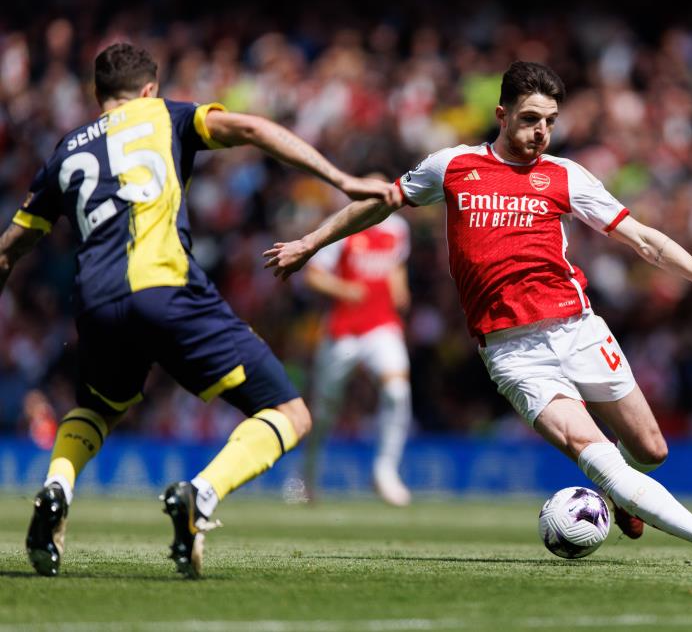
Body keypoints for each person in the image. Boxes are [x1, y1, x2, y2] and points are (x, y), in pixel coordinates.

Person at [265, 61, 692, 566]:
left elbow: (645, 240)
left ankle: (623, 497)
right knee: (596, 454)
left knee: (651, 451)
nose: (541, 131)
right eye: (530, 118)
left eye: (550, 121)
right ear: (502, 114)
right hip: (513, 352)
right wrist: (311, 241)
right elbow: (380, 203)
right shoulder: (452, 166)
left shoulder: (565, 176)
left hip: (579, 329)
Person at [0, 42, 398, 578]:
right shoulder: (168, 115)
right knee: (288, 413)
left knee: (98, 408)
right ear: (149, 89)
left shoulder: (66, 151)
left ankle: (57, 487)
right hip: (166, 287)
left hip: (95, 303)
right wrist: (344, 181)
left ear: (97, 96)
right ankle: (201, 495)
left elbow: (9, 249)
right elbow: (254, 129)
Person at [302, 208, 413, 506]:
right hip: (344, 331)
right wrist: (345, 289)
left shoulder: (398, 227)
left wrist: (400, 287)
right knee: (324, 410)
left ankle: (385, 470)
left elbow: (397, 264)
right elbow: (314, 275)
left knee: (397, 392)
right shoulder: (341, 226)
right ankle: (308, 475)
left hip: (382, 325)